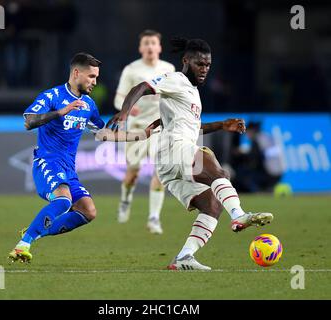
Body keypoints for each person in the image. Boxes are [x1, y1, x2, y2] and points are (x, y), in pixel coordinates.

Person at [107, 37, 274, 271]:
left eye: (207, 65)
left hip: (170, 165)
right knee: (214, 166)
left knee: (212, 205)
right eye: (199, 64)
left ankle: (184, 257)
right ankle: (238, 214)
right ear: (186, 61)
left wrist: (222, 125)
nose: (204, 69)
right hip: (173, 150)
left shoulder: (193, 92)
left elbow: (193, 127)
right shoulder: (176, 79)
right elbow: (141, 87)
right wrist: (124, 114)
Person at [8, 52, 158, 263]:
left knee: (88, 211)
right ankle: (22, 245)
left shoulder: (88, 105)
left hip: (69, 169)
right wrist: (60, 112)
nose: (95, 82)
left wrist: (141, 135)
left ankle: (36, 230)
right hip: (47, 162)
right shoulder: (52, 96)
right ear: (76, 73)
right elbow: (29, 122)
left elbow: (103, 134)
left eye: (96, 77)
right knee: (63, 200)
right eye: (91, 77)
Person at [114, 29, 175, 234]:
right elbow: (118, 99)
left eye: (153, 43)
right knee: (133, 173)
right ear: (141, 47)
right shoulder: (131, 70)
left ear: (159, 47)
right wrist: (129, 108)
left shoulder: (169, 69)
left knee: (160, 171)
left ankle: (154, 218)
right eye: (146, 43)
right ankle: (125, 200)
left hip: (160, 128)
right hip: (137, 129)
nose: (150, 46)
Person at [231, 121, 283, 192]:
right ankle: (266, 189)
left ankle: (259, 193)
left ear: (252, 131)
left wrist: (241, 154)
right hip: (279, 172)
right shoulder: (265, 136)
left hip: (270, 173)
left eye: (247, 132)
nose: (247, 135)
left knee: (245, 176)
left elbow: (254, 158)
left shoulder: (257, 140)